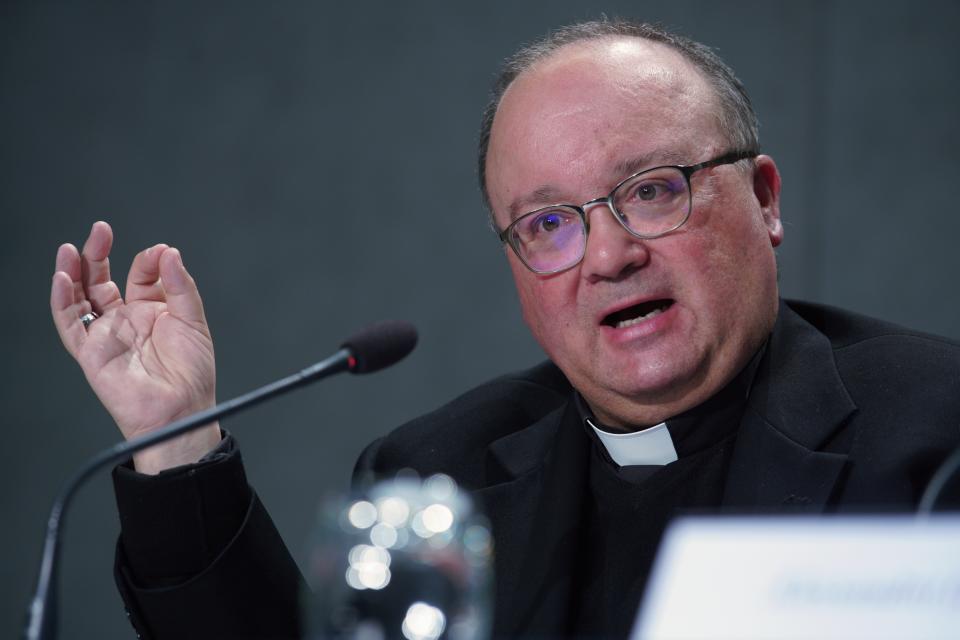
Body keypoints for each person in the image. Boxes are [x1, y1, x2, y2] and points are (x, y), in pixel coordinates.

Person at [50, 19, 960, 640]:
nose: (607, 257)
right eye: (549, 225)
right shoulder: (438, 477)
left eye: (650, 191)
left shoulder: (934, 435)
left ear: (763, 200)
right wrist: (175, 435)